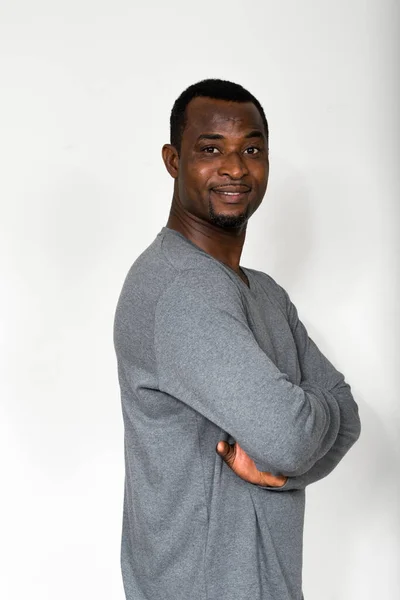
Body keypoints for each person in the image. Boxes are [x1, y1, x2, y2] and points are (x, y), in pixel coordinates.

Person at [113, 78, 361, 600]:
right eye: (210, 149)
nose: (235, 167)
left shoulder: (265, 294)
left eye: (252, 149)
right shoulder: (182, 290)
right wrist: (303, 425)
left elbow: (347, 416)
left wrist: (287, 468)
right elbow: (290, 437)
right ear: (173, 160)